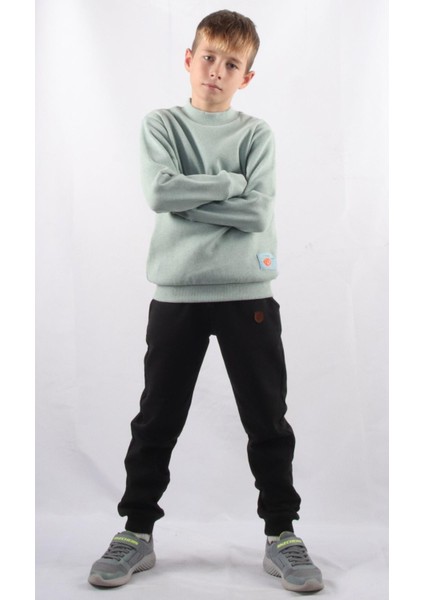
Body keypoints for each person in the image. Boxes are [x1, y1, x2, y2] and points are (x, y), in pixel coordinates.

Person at [88, 9, 324, 593]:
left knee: (267, 418)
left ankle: (282, 534)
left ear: (247, 77)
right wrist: (229, 184)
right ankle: (136, 532)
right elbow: (159, 192)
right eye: (209, 57)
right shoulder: (162, 125)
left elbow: (258, 213)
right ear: (189, 59)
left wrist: (189, 199)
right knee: (157, 417)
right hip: (178, 292)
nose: (217, 71)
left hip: (249, 293)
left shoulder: (256, 135)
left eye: (231, 64)